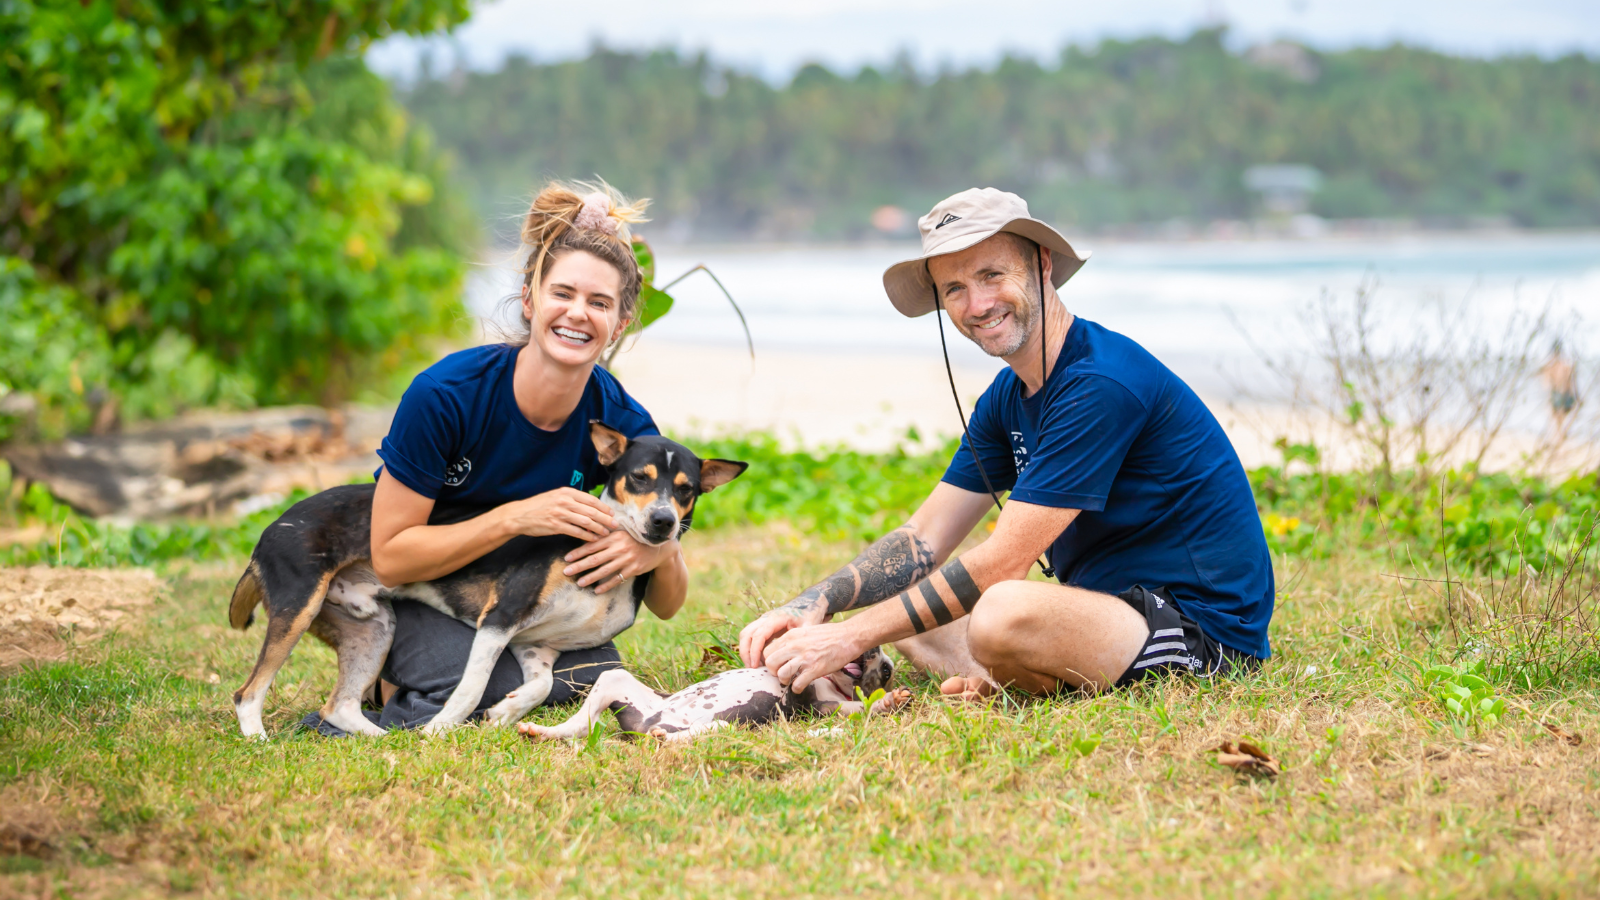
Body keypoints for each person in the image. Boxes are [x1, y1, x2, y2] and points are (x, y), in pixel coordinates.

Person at [738, 188, 1274, 698]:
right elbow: (922, 537)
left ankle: (1013, 672)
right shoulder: (1008, 396)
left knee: (1000, 610)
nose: (977, 304)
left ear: (1041, 263)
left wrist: (848, 639)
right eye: (954, 289)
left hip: (1200, 633)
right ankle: (1015, 677)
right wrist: (814, 604)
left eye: (992, 274)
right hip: (1102, 611)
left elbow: (1002, 564)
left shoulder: (1100, 383)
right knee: (905, 597)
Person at [307, 181, 687, 734]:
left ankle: (450, 678)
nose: (578, 314)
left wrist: (659, 550)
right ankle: (383, 693)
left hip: (517, 605)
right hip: (406, 590)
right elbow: (389, 556)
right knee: (506, 685)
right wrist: (516, 517)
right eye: (563, 293)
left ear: (620, 322)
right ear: (530, 300)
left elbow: (670, 605)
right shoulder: (446, 396)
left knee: (591, 675)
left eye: (599, 303)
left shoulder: (626, 427)